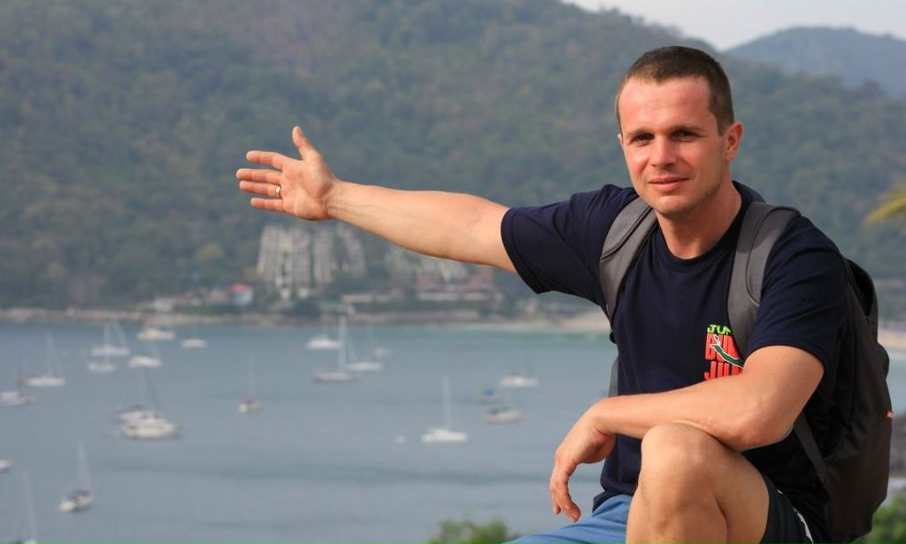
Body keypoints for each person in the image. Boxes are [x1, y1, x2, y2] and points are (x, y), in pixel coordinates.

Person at [236, 46, 845, 544]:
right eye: (642, 138)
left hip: (764, 519)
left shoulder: (792, 256)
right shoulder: (616, 231)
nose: (661, 157)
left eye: (683, 134)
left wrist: (607, 414)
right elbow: (475, 227)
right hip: (629, 513)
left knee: (675, 448)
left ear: (730, 140)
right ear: (623, 146)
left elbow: (757, 411)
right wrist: (336, 198)